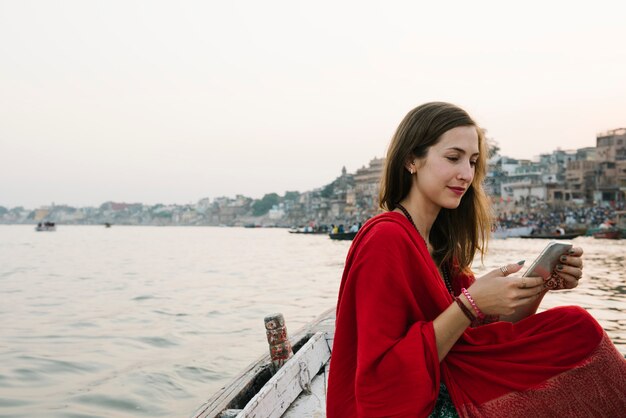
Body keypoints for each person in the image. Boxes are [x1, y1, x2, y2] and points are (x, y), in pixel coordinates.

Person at [326, 102, 626, 417]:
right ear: (411, 160)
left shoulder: (439, 245)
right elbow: (382, 379)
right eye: (453, 158)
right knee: (576, 327)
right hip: (414, 404)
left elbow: (481, 339)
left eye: (472, 162)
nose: (466, 174)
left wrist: (542, 284)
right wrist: (470, 304)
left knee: (573, 329)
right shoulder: (385, 239)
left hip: (450, 381)